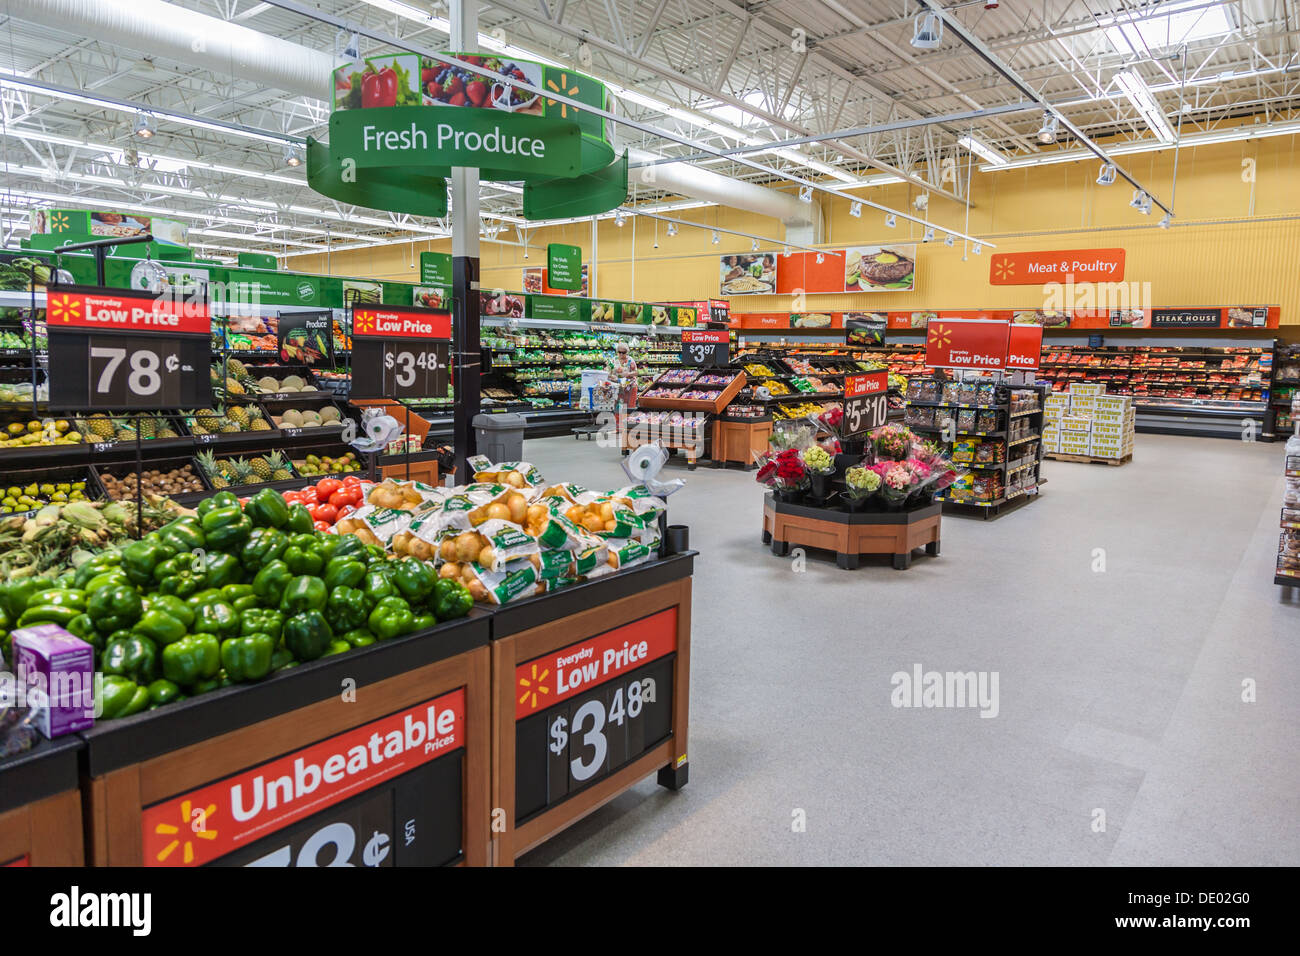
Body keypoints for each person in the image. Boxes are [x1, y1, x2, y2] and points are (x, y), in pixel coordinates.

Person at [607, 340, 639, 410]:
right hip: (617, 387)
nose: (621, 354)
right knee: (618, 408)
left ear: (627, 352)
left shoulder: (630, 360)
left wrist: (629, 373)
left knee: (629, 407)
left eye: (623, 352)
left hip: (629, 386)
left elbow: (636, 372)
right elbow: (608, 372)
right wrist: (611, 376)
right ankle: (618, 420)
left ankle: (628, 419)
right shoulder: (613, 360)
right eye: (619, 352)